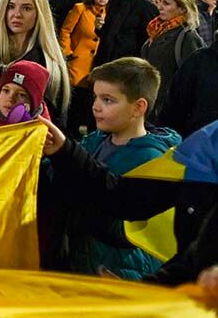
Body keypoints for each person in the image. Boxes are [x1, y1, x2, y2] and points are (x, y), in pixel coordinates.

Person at [67, 57, 180, 280]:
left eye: (108, 100)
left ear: (138, 107)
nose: (96, 106)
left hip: (119, 271)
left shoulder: (151, 160)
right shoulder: (94, 141)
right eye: (96, 97)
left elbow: (128, 228)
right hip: (84, 264)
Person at [142, 0, 205, 118]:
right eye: (160, 2)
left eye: (166, 3)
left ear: (182, 8)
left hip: (166, 112)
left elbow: (192, 79)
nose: (159, 7)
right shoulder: (156, 29)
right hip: (147, 104)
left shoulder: (187, 37)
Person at [94, 0, 160, 70]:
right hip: (105, 63)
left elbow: (147, 41)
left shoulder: (146, 8)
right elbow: (109, 32)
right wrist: (99, 29)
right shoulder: (114, 2)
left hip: (127, 67)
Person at [60, 0, 112, 88]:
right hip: (76, 61)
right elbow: (65, 30)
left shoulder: (111, 14)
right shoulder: (80, 9)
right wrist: (67, 52)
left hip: (96, 66)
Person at [0, 60, 52, 127]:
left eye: (21, 95)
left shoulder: (43, 130)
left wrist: (26, 124)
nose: (11, 99)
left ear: (34, 104)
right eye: (6, 91)